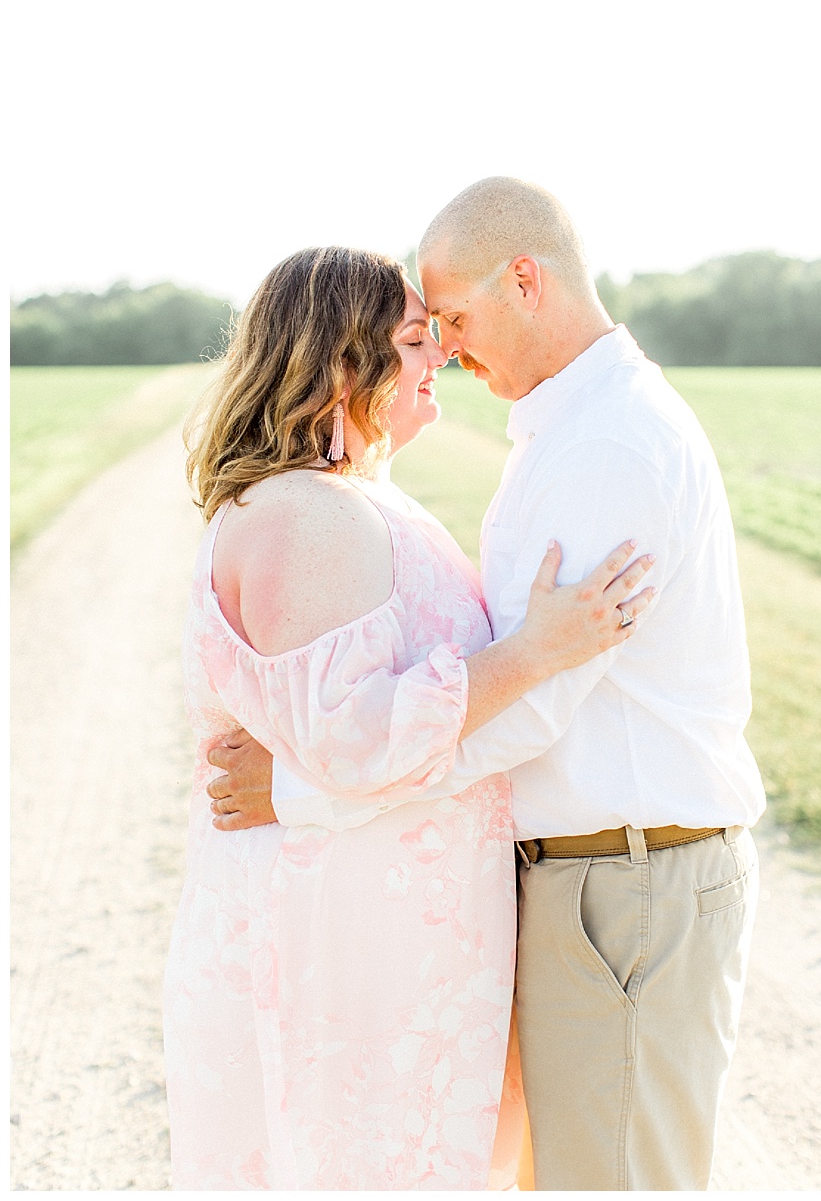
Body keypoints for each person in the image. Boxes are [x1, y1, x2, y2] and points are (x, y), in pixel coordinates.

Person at [206, 177, 768, 1190]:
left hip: (626, 885)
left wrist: (299, 789)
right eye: (429, 333)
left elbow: (531, 705)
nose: (449, 352)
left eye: (454, 320)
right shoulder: (569, 431)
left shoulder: (606, 447)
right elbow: (515, 670)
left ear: (525, 279)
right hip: (596, 881)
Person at [165, 246, 653, 1188]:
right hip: (337, 969)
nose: (443, 357)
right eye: (417, 339)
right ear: (344, 365)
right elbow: (354, 741)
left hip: (384, 961)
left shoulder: (345, 503)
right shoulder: (305, 516)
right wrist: (535, 652)